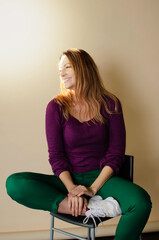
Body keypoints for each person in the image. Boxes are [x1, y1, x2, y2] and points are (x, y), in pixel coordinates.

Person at [6, 49, 151, 240]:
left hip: (103, 179)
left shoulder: (110, 104)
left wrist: (92, 189)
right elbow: (56, 156)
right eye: (60, 70)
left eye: (67, 67)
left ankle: (90, 202)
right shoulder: (56, 107)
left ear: (83, 68)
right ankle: (83, 208)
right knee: (14, 183)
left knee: (141, 202)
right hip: (68, 179)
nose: (62, 73)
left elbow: (116, 153)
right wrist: (72, 191)